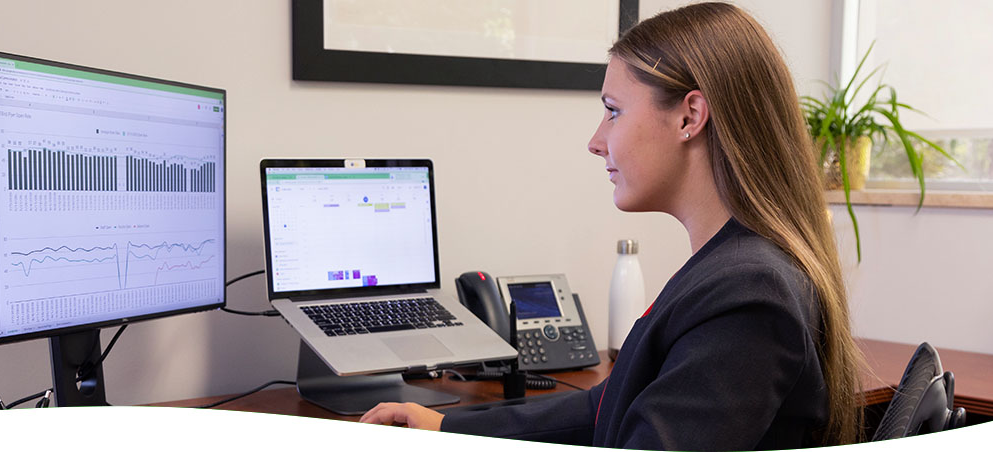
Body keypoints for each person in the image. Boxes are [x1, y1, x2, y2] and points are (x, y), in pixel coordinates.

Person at [358, 3, 864, 449]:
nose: (596, 141)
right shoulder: (730, 268)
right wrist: (448, 429)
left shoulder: (750, 295)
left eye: (613, 112)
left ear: (690, 117)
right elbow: (606, 406)